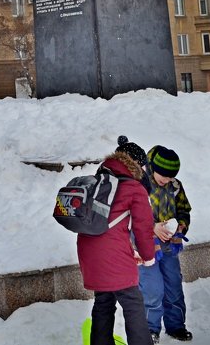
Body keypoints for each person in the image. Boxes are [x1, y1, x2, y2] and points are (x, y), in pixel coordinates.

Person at [77, 136, 158, 345]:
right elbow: (143, 228)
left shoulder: (98, 182)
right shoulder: (134, 188)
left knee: (103, 301)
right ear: (138, 165)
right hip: (113, 255)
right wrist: (148, 256)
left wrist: (131, 253)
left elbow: (113, 226)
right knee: (133, 303)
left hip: (89, 253)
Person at [139, 146, 193, 343]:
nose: (167, 180)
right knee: (152, 289)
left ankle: (176, 325)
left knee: (173, 286)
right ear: (152, 167)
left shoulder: (175, 186)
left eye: (171, 177)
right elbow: (131, 215)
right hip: (146, 246)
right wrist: (153, 227)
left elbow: (184, 210)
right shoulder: (140, 184)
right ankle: (150, 329)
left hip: (170, 245)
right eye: (164, 175)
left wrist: (181, 226)